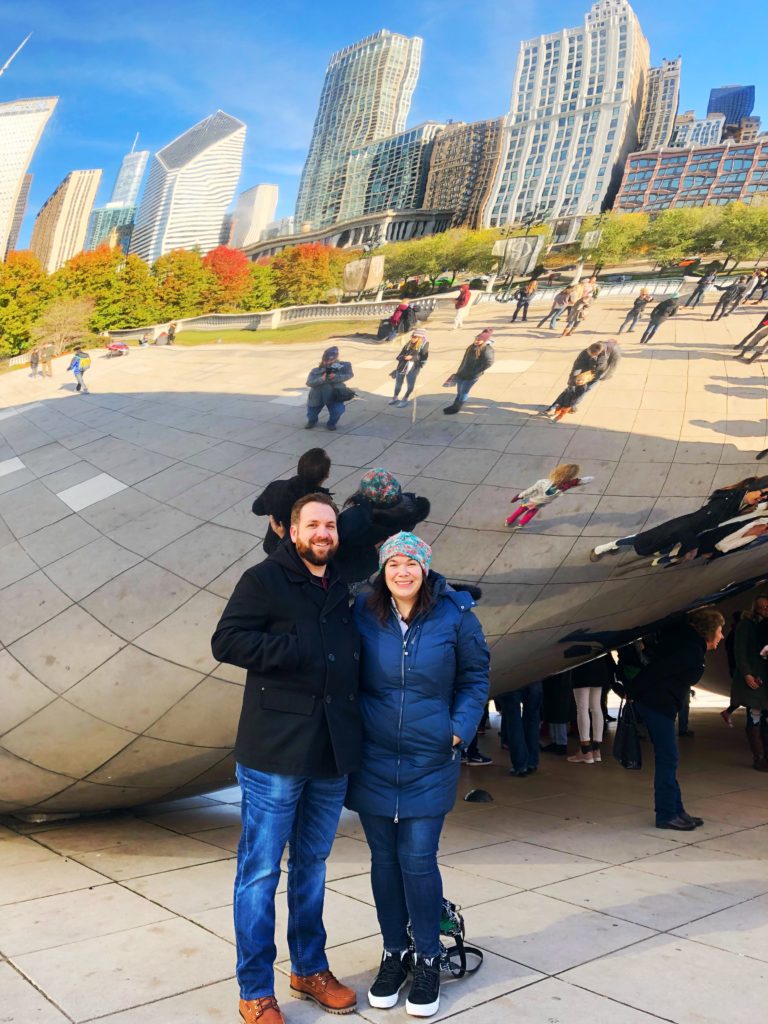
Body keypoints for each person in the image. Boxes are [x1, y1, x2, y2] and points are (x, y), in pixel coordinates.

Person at [211, 494, 362, 1024]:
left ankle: (308, 968)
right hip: (275, 751)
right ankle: (255, 990)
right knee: (258, 872)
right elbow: (226, 641)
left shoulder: (341, 584)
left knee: (312, 866)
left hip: (330, 750)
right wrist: (295, 649)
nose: (323, 533)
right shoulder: (263, 580)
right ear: (292, 531)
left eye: (330, 525)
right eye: (313, 524)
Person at [347, 531, 489, 1017]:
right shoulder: (363, 612)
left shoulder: (455, 614)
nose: (402, 571)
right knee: (384, 861)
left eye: (411, 563)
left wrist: (458, 731)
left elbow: (475, 677)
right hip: (374, 757)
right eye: (393, 564)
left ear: (425, 569)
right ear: (382, 572)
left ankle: (428, 955)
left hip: (430, 757)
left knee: (418, 858)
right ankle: (395, 952)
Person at [627, 608, 725, 830]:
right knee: (667, 759)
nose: (721, 635)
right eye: (720, 630)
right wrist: (632, 691)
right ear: (709, 631)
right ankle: (666, 814)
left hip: (660, 704)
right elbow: (657, 671)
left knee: (669, 759)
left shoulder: (691, 646)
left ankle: (677, 810)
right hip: (657, 705)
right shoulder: (690, 651)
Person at [590, 476, 768, 564]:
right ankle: (604, 547)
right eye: (762, 493)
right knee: (642, 539)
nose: (762, 498)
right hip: (683, 527)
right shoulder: (728, 501)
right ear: (754, 488)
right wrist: (692, 545)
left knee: (649, 540)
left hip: (687, 529)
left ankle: (614, 546)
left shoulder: (740, 502)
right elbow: (699, 522)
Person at [335, 469, 430, 585]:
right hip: (375, 561)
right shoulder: (410, 513)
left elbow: (332, 549)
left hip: (353, 568)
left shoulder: (353, 519)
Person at [252, 448, 332, 555]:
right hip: (297, 551)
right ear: (326, 475)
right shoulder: (321, 505)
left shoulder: (276, 486)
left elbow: (257, 509)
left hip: (272, 544)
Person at [730, 596, 768, 771]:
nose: (765, 609)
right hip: (754, 679)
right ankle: (759, 757)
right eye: (762, 606)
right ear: (755, 608)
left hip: (764, 680)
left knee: (764, 720)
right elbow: (740, 651)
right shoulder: (746, 625)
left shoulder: (764, 626)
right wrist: (747, 674)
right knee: (755, 718)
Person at [505, 463, 594, 530]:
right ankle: (521, 524)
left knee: (521, 509)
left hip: (531, 499)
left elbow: (531, 490)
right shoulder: (565, 486)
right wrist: (578, 480)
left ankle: (509, 521)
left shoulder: (543, 482)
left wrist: (519, 496)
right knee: (532, 512)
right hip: (542, 502)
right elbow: (587, 479)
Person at [541, 341, 616, 420]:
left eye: (592, 354)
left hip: (595, 376)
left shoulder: (608, 352)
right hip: (583, 375)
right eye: (589, 353)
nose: (589, 355)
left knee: (583, 391)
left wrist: (606, 375)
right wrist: (572, 380)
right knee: (571, 390)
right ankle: (556, 407)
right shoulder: (585, 353)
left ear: (598, 353)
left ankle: (568, 407)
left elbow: (613, 364)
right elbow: (577, 367)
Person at [567, 655, 615, 764]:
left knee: (582, 709)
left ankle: (586, 751)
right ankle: (596, 750)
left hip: (582, 665)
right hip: (599, 665)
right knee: (596, 707)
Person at [496, 683, 543, 777]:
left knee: (513, 720)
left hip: (510, 681)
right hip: (534, 679)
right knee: (532, 719)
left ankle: (520, 765)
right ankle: (532, 762)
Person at [443, 328, 494, 414]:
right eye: (476, 339)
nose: (477, 341)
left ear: (484, 341)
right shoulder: (472, 346)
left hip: (472, 375)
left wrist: (476, 370)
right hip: (462, 372)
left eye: (479, 340)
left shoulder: (487, 349)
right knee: (459, 391)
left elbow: (489, 362)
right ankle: (454, 405)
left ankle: (457, 407)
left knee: (464, 392)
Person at [306, 346, 354, 431]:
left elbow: (349, 375)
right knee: (311, 414)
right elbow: (309, 383)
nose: (328, 362)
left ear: (336, 358)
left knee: (338, 411)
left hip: (334, 395)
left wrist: (335, 377)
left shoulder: (342, 366)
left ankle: (331, 423)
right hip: (317, 396)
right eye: (326, 360)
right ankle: (312, 421)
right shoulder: (315, 370)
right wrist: (321, 379)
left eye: (331, 360)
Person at [390, 329, 429, 407]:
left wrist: (412, 357)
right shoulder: (408, 344)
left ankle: (405, 399)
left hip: (413, 368)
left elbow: (423, 357)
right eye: (412, 336)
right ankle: (395, 397)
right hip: (402, 365)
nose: (412, 338)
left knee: (410, 385)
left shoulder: (424, 345)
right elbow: (400, 355)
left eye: (415, 337)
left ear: (420, 338)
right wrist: (403, 357)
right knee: (398, 383)